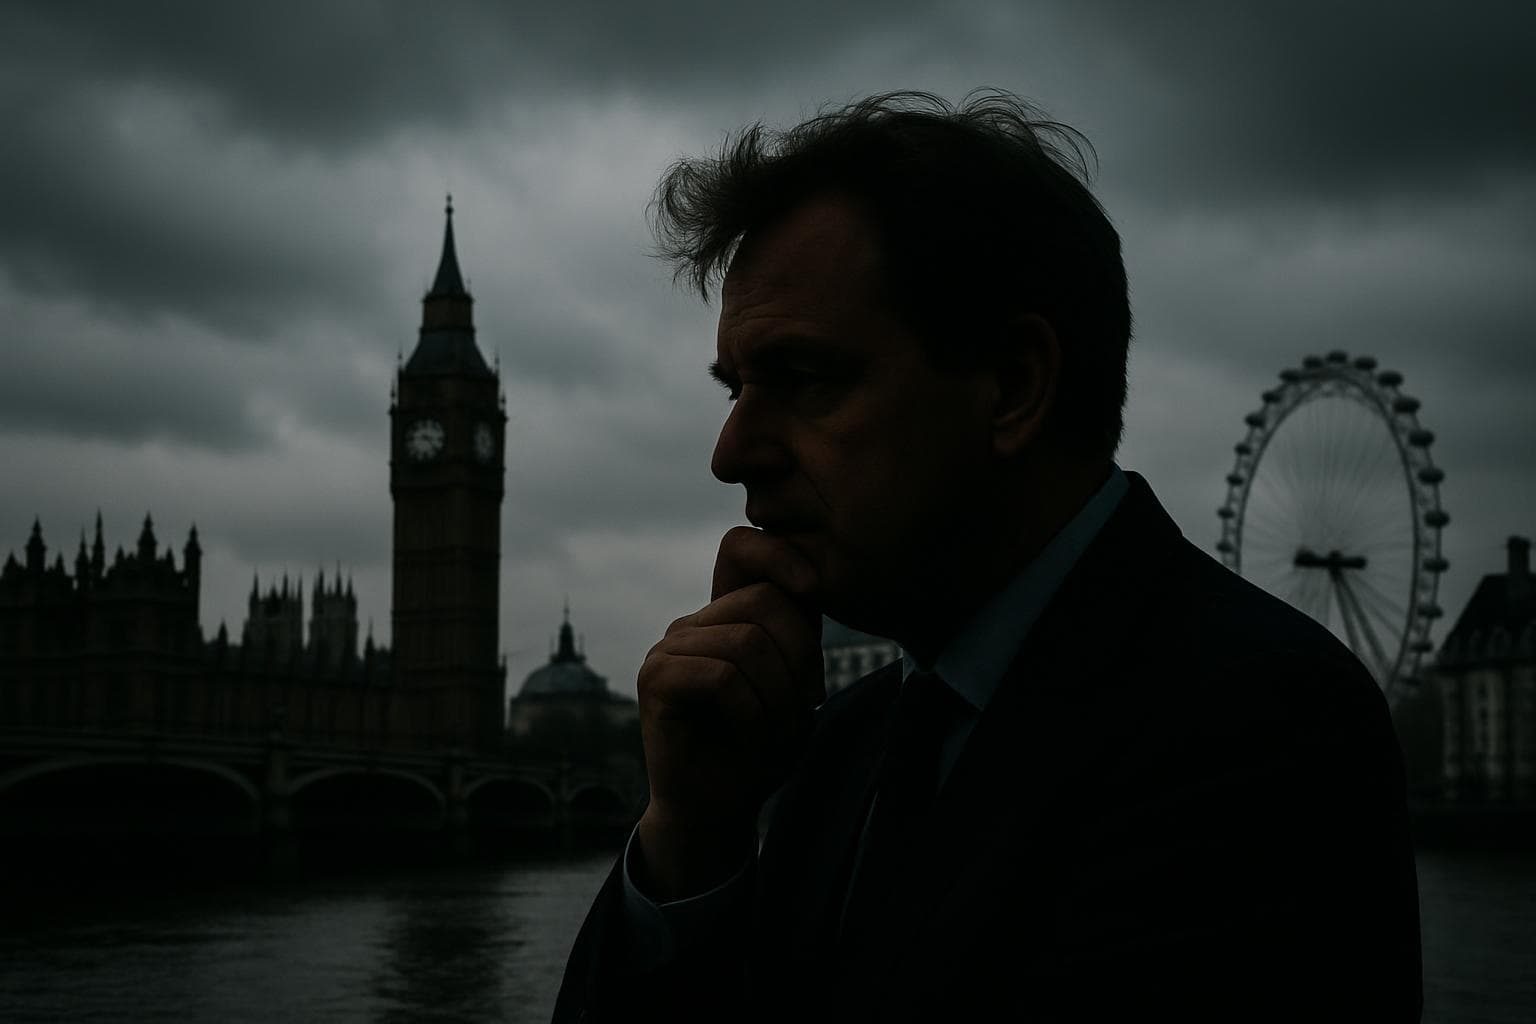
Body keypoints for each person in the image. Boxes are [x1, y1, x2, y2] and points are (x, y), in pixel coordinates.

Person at [554, 91, 1421, 1021]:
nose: (730, 453)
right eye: (734, 388)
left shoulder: (1265, 729)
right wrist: (690, 839)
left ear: (1012, 386)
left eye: (801, 381)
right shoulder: (834, 745)